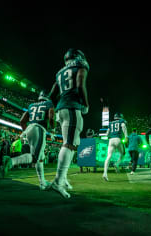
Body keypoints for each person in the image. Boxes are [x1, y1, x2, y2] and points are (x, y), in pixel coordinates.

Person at [47, 48, 89, 198]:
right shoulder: (80, 66)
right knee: (69, 144)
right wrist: (86, 104)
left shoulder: (60, 73)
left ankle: (62, 178)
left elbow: (51, 95)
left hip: (61, 108)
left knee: (70, 143)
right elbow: (80, 85)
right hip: (72, 107)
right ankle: (58, 182)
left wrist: (51, 111)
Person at [3, 91, 55, 190]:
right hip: (39, 128)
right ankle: (11, 162)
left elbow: (22, 121)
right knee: (35, 157)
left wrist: (26, 132)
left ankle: (42, 182)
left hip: (30, 128)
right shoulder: (48, 104)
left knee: (40, 157)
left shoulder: (31, 105)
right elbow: (52, 117)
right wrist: (52, 130)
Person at [103, 112, 128, 181]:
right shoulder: (121, 121)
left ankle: (105, 173)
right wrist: (126, 136)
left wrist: (107, 136)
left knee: (108, 156)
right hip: (118, 139)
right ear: (120, 117)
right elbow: (123, 127)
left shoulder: (110, 123)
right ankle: (117, 164)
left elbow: (107, 134)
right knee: (123, 154)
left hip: (111, 140)